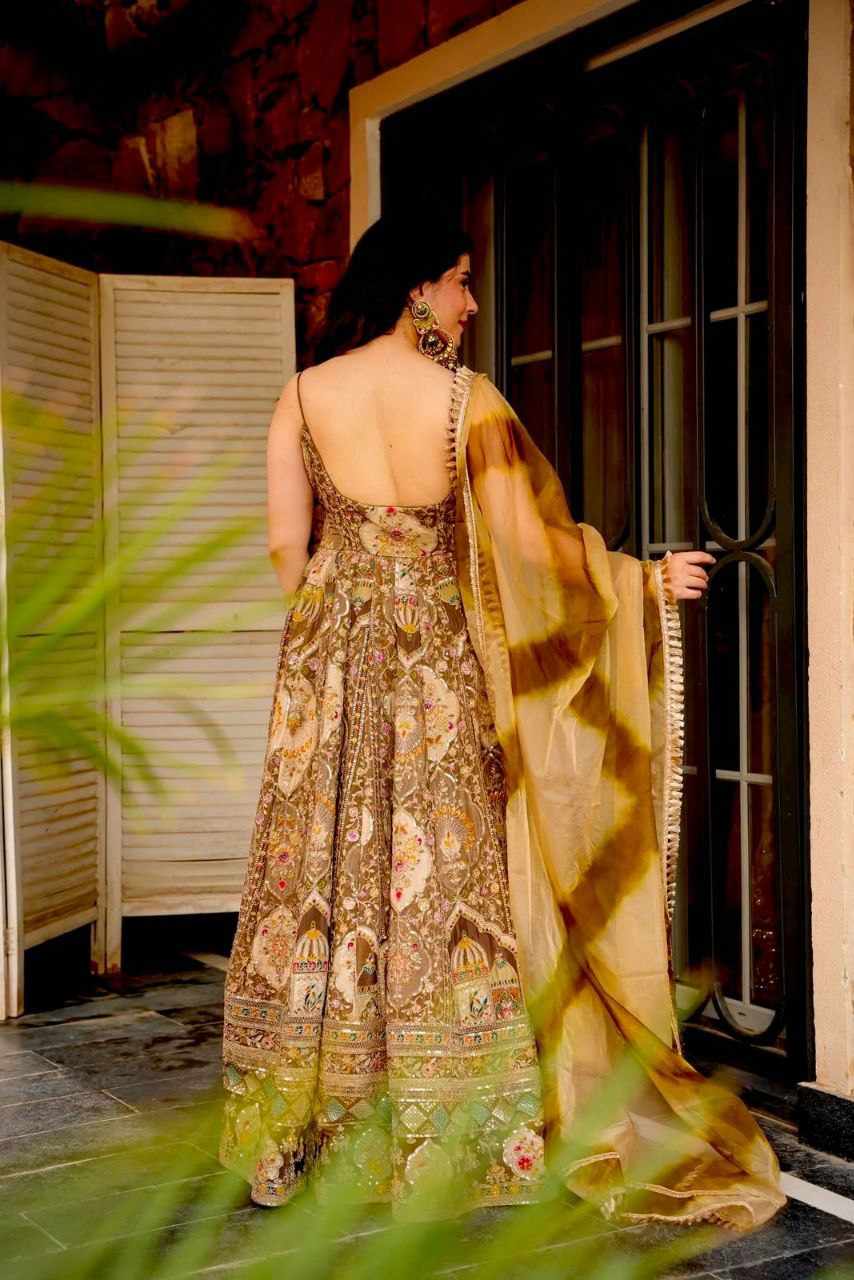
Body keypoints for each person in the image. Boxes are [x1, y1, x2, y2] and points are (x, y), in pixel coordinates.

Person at [219, 213, 785, 1228]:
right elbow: (530, 546)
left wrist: (340, 627)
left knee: (325, 877)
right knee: (442, 877)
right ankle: (449, 1132)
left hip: (327, 669)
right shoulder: (463, 400)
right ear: (418, 289)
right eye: (461, 280)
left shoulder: (302, 395)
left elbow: (284, 553)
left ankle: (305, 1131)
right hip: (435, 669)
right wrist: (639, 580)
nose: (471, 303)